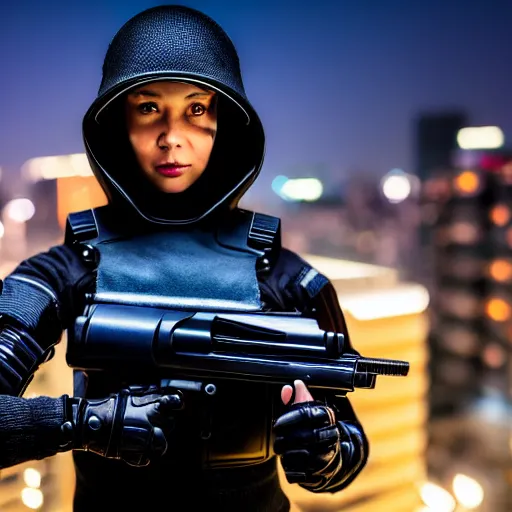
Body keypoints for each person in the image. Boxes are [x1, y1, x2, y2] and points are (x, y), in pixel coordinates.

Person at [0, 5, 368, 511]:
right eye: (148, 107)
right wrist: (87, 422)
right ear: (117, 124)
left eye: (197, 109)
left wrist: (324, 451)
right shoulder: (67, 269)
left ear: (225, 123)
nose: (172, 137)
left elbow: (344, 434)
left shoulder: (287, 279)